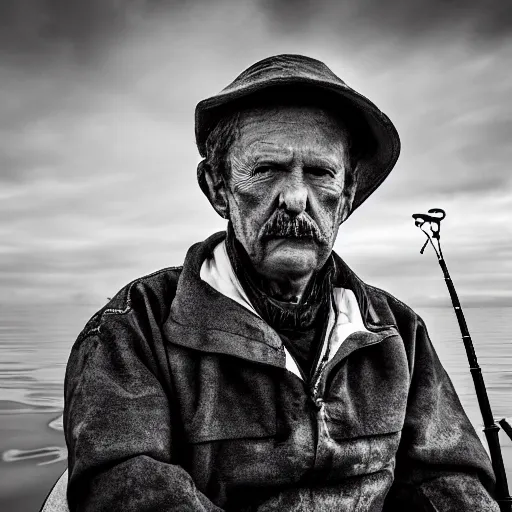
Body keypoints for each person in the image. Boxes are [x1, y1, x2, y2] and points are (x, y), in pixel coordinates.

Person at [63, 54, 499, 511]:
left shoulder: (398, 333)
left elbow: (450, 477)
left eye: (320, 173)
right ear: (217, 188)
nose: (294, 198)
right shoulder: (135, 326)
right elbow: (125, 483)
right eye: (266, 169)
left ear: (346, 196)